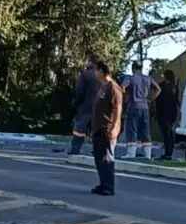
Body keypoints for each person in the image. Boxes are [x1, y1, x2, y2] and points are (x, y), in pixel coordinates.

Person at [88, 60, 123, 196]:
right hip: (98, 128)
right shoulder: (102, 87)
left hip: (107, 128)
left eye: (96, 70)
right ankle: (103, 184)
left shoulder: (113, 87)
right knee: (99, 158)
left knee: (107, 158)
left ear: (102, 71)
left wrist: (114, 127)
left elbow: (118, 108)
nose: (94, 73)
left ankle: (109, 186)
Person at [121, 61, 160, 159]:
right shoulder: (148, 78)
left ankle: (131, 153)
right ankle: (148, 154)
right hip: (145, 106)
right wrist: (150, 99)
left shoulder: (130, 78)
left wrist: (125, 97)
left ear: (132, 68)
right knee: (145, 130)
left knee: (132, 129)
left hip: (133, 106)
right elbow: (158, 89)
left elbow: (122, 87)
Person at [69, 55, 99, 156]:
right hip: (100, 107)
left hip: (86, 106)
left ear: (90, 62)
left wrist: (76, 102)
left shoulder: (85, 74)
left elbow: (79, 90)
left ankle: (76, 149)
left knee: (79, 128)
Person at [154, 68, 181, 160]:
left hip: (163, 112)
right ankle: (170, 152)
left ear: (166, 76)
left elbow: (157, 98)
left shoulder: (162, 85)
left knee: (166, 134)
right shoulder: (175, 86)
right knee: (170, 132)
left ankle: (167, 153)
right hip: (173, 111)